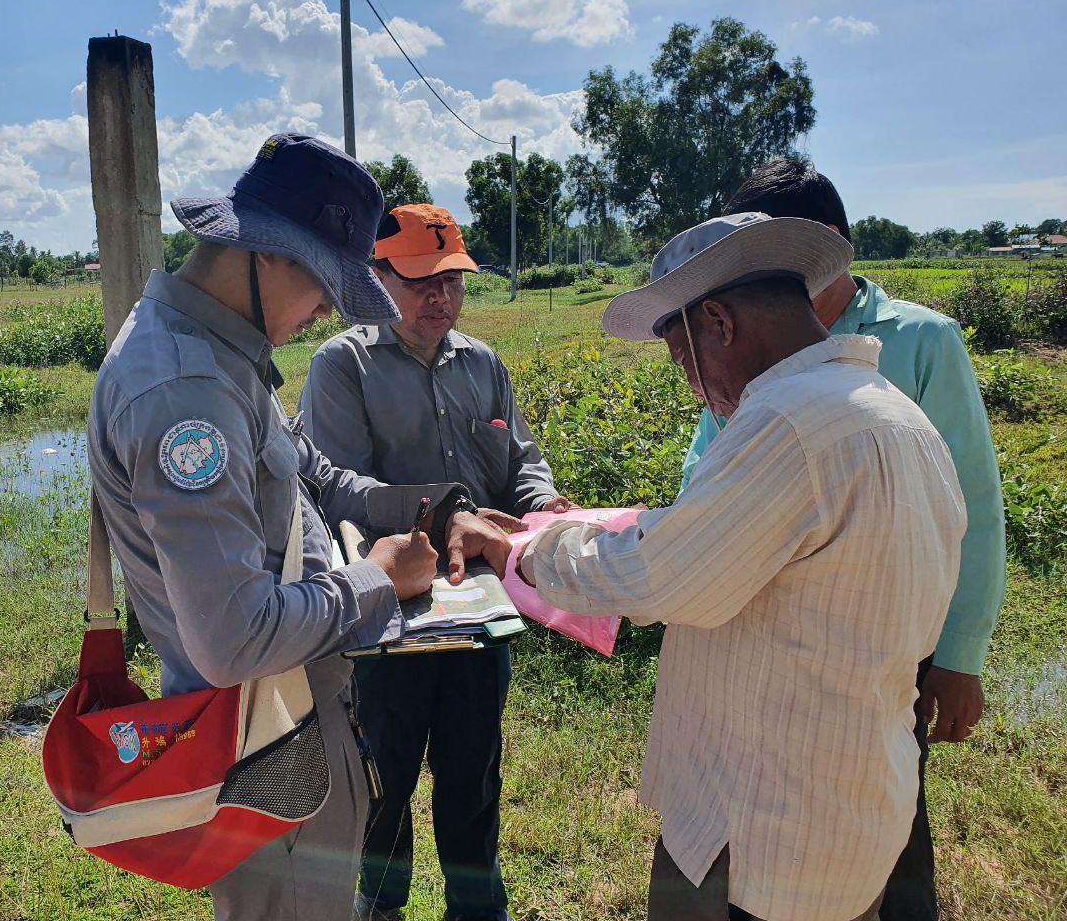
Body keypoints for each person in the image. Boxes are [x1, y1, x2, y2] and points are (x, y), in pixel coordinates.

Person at [87, 133, 512, 921]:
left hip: (293, 724)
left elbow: (316, 474)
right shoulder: (188, 392)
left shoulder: (219, 355)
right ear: (268, 255)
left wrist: (443, 509)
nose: (325, 312)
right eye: (324, 285)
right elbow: (233, 637)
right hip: (264, 745)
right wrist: (378, 580)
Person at [517, 212, 967, 921]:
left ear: (719, 323)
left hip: (764, 834)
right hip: (855, 807)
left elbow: (657, 577)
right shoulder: (900, 418)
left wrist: (523, 548)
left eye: (684, 361)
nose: (695, 388)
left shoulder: (787, 421)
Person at [682, 158, 1005, 921]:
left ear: (820, 246)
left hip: (885, 632)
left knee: (885, 804)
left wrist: (960, 657)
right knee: (777, 805)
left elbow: (974, 508)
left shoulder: (920, 341)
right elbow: (704, 470)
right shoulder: (749, 340)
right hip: (772, 626)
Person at [299, 203, 569, 921]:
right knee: (383, 776)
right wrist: (445, 513)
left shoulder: (482, 364)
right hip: (389, 618)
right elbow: (341, 497)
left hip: (479, 615)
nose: (440, 297)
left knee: (473, 773)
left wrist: (546, 505)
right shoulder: (342, 367)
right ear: (374, 277)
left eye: (453, 278)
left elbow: (521, 463)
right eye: (420, 279)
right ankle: (378, 903)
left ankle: (478, 910)